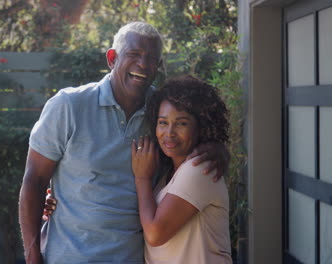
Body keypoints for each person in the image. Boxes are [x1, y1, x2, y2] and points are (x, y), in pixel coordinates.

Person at [19, 21, 228, 263]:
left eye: (151, 58)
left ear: (158, 66)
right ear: (112, 58)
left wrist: (217, 147)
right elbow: (34, 179)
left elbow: (191, 136)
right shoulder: (68, 106)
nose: (143, 64)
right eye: (134, 54)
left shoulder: (160, 112)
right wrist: (32, 253)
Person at [132, 75, 232, 263]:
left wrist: (142, 179)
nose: (169, 133)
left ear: (201, 127)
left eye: (181, 123)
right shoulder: (167, 174)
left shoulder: (199, 169)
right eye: (163, 122)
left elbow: (155, 234)